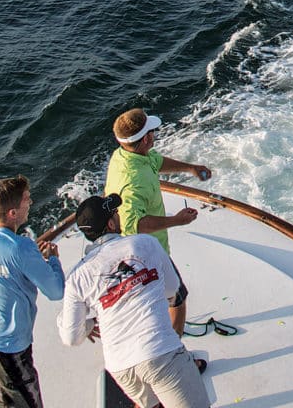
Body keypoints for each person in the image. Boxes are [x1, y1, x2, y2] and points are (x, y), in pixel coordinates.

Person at [58, 194, 211, 408]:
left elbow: (71, 337)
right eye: (115, 213)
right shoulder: (144, 243)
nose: (119, 214)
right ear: (111, 224)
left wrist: (91, 323)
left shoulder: (77, 276)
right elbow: (172, 290)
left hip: (121, 367)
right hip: (161, 353)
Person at [106, 109, 212, 337]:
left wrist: (189, 167)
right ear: (146, 138)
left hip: (138, 252)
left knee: (153, 300)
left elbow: (156, 161)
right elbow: (134, 224)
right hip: (146, 254)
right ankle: (175, 351)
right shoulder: (134, 181)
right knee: (178, 298)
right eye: (152, 132)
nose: (154, 134)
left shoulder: (125, 155)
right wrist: (177, 220)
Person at [0, 175, 65, 408]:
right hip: (10, 348)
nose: (30, 202)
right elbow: (56, 291)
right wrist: (52, 261)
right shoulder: (21, 247)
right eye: (26, 199)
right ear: (13, 213)